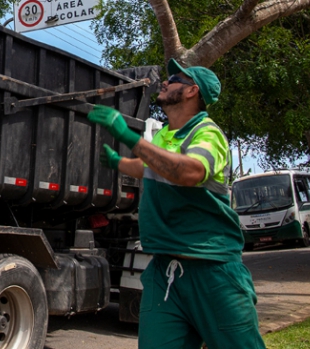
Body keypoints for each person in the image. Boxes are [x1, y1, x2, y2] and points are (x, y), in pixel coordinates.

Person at [88, 59, 265, 349]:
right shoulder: (164, 135)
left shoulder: (208, 134)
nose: (165, 82)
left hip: (213, 270)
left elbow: (189, 172)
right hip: (163, 270)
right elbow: (152, 166)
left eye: (174, 79)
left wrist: (130, 138)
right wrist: (119, 162)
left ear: (193, 91)